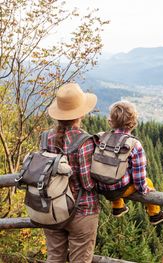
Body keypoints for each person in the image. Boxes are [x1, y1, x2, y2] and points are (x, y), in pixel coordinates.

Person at [44, 83, 99, 262]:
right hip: (81, 210)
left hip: (51, 209)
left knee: (54, 258)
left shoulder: (46, 138)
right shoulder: (84, 141)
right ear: (80, 113)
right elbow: (87, 183)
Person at [97, 101, 163, 225]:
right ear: (133, 123)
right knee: (147, 181)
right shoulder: (134, 145)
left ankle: (118, 207)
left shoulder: (102, 138)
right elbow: (139, 178)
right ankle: (155, 214)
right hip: (119, 189)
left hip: (101, 187)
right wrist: (144, 189)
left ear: (111, 122)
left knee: (114, 172)